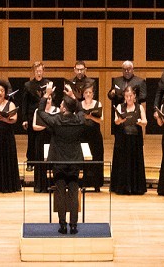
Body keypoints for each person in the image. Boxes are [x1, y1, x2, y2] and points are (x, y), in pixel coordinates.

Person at [36, 95, 87, 235]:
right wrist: (74, 97)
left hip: (59, 161)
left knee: (60, 192)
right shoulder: (79, 120)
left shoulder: (57, 120)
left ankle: (63, 225)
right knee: (73, 191)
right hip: (74, 161)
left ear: (64, 108)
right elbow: (81, 110)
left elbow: (40, 112)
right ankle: (74, 225)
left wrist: (45, 97)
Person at [110, 85, 147, 195]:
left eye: (131, 96)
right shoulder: (120, 106)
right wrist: (120, 121)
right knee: (123, 162)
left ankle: (136, 188)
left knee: (135, 161)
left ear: (134, 96)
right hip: (123, 139)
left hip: (135, 138)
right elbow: (116, 121)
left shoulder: (139, 107)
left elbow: (145, 122)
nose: (129, 98)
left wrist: (141, 122)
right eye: (127, 96)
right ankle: (122, 187)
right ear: (124, 97)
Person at [23, 62, 51, 173]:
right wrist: (24, 119)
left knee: (46, 138)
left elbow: (52, 99)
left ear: (43, 71)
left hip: (45, 114)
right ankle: (31, 162)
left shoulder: (48, 83)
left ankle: (46, 161)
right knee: (32, 139)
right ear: (33, 71)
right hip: (32, 115)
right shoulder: (28, 85)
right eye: (36, 71)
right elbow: (25, 103)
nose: (39, 73)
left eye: (40, 71)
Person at [78, 83, 104, 191]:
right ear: (83, 94)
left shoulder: (97, 104)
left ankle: (96, 184)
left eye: (90, 92)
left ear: (93, 94)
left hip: (95, 136)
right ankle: (84, 183)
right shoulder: (79, 105)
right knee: (84, 159)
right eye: (86, 93)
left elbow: (101, 120)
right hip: (83, 135)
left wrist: (90, 117)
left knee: (96, 158)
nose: (88, 94)